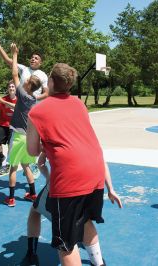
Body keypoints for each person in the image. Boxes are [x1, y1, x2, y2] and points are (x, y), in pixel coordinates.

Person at [27, 63, 122, 265]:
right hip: (95, 172)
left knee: (66, 244)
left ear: (51, 82)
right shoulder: (79, 104)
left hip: (71, 177)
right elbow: (72, 136)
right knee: (85, 220)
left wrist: (44, 147)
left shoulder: (37, 112)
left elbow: (32, 151)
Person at [0, 31, 47, 177]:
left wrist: (34, 97)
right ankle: (11, 163)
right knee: (16, 135)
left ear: (40, 63)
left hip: (33, 109)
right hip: (22, 105)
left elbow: (47, 93)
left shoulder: (42, 75)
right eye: (32, 57)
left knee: (30, 137)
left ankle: (30, 163)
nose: (33, 59)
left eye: (36, 58)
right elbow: (9, 61)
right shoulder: (24, 69)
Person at [2, 42, 41, 207]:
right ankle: (33, 194)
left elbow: (14, 74)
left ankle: (11, 198)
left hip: (18, 136)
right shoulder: (34, 100)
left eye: (27, 81)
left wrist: (15, 53)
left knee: (12, 167)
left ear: (28, 85)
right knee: (26, 166)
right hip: (29, 138)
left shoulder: (23, 94)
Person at [0, 81, 17, 169]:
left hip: (13, 126)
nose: (11, 88)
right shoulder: (3, 99)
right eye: (10, 87)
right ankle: (1, 156)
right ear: (8, 89)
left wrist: (4, 102)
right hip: (3, 124)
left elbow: (16, 106)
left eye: (13, 86)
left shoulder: (19, 100)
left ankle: (8, 164)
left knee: (10, 145)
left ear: (16, 89)